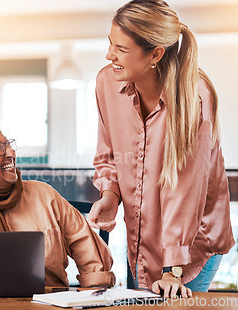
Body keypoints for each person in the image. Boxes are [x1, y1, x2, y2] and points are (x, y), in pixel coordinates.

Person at [88, 0, 234, 298]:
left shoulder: (194, 97)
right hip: (141, 239)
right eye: (110, 44)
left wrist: (173, 270)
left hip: (192, 246)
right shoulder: (106, 83)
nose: (109, 55)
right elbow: (108, 154)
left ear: (155, 54)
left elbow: (184, 192)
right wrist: (110, 194)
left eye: (121, 49)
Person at [0, 123, 116, 288]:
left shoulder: (43, 194)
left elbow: (94, 263)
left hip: (51, 305)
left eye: (8, 144)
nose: (10, 152)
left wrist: (92, 297)